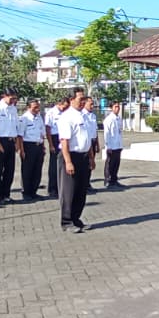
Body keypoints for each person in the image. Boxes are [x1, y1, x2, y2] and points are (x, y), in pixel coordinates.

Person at [57, 94, 95, 233]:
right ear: (71, 100)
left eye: (84, 100)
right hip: (71, 156)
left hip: (83, 156)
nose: (82, 103)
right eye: (80, 100)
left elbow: (88, 139)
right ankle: (66, 221)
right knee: (69, 191)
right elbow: (64, 141)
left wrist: (91, 158)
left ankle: (76, 219)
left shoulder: (84, 116)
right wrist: (68, 162)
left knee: (81, 190)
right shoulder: (66, 117)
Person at [0, 91, 20, 204]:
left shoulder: (13, 109)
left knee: (10, 169)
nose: (13, 101)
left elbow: (16, 125)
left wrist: (16, 141)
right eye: (11, 98)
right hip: (0, 140)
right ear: (4, 96)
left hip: (11, 140)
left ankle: (6, 193)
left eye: (15, 98)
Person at [17, 99, 46, 200]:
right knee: (27, 170)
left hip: (39, 145)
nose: (37, 109)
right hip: (28, 146)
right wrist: (21, 150)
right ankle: (26, 192)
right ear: (28, 107)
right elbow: (20, 136)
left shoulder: (39, 117)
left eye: (38, 107)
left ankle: (34, 191)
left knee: (37, 170)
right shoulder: (24, 118)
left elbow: (42, 133)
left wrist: (43, 146)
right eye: (35, 108)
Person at [44, 97, 68, 198]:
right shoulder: (51, 113)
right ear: (59, 103)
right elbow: (48, 129)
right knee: (54, 165)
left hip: (63, 137)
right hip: (54, 138)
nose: (65, 108)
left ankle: (61, 188)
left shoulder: (65, 113)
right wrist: (51, 144)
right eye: (64, 106)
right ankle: (52, 189)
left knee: (62, 164)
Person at [102, 103, 124, 188]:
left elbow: (119, 132)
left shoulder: (118, 118)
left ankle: (114, 180)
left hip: (118, 145)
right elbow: (106, 133)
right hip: (111, 145)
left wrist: (120, 145)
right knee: (110, 163)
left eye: (118, 107)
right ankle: (108, 180)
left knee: (116, 163)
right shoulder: (109, 119)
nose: (117, 108)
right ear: (111, 108)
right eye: (115, 107)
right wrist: (108, 146)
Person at [82, 97, 99, 194]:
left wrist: (97, 143)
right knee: (86, 164)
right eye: (90, 104)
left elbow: (95, 130)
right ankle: (84, 185)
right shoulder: (82, 115)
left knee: (91, 164)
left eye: (93, 104)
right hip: (86, 143)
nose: (92, 106)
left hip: (92, 141)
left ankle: (87, 183)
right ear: (84, 103)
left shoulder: (93, 115)